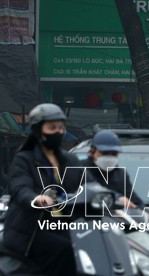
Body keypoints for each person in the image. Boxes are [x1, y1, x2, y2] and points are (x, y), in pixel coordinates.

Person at [3, 103, 80, 276]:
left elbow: (88, 185)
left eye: (61, 127)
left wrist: (115, 199)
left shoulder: (71, 160)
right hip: (32, 232)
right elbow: (20, 187)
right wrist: (37, 199)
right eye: (52, 127)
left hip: (65, 228)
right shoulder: (24, 159)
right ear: (38, 131)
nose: (58, 132)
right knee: (64, 248)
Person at [79, 130, 142, 209]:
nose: (109, 157)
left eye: (114, 154)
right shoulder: (79, 170)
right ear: (92, 152)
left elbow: (137, 203)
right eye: (104, 153)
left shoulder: (120, 175)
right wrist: (117, 198)